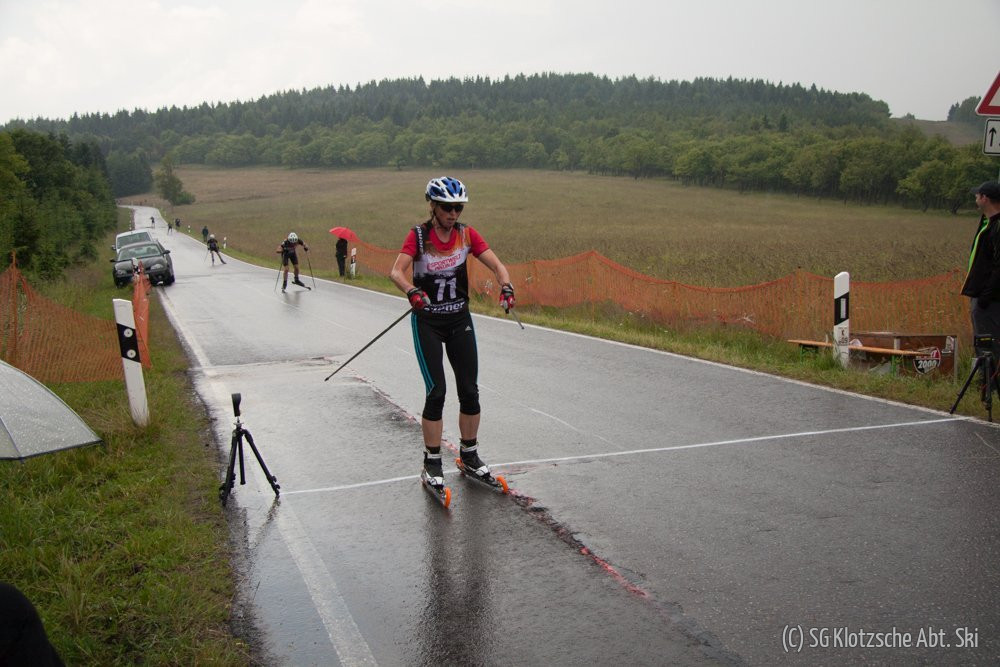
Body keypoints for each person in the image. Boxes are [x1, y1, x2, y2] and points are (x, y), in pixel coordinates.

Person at [389, 176, 516, 493]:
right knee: (437, 392)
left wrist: (506, 286)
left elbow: (497, 265)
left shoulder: (466, 234)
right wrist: (411, 291)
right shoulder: (419, 236)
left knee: (470, 390)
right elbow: (396, 271)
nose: (453, 213)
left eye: (458, 208)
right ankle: (432, 462)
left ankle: (469, 455)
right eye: (447, 208)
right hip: (428, 321)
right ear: (433, 206)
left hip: (459, 319)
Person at [962, 180, 1000, 344]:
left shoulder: (997, 226)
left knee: (988, 346)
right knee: (984, 343)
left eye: (977, 195)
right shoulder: (989, 222)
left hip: (991, 300)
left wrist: (985, 297)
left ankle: (991, 363)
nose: (975, 198)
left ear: (985, 198)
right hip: (986, 297)